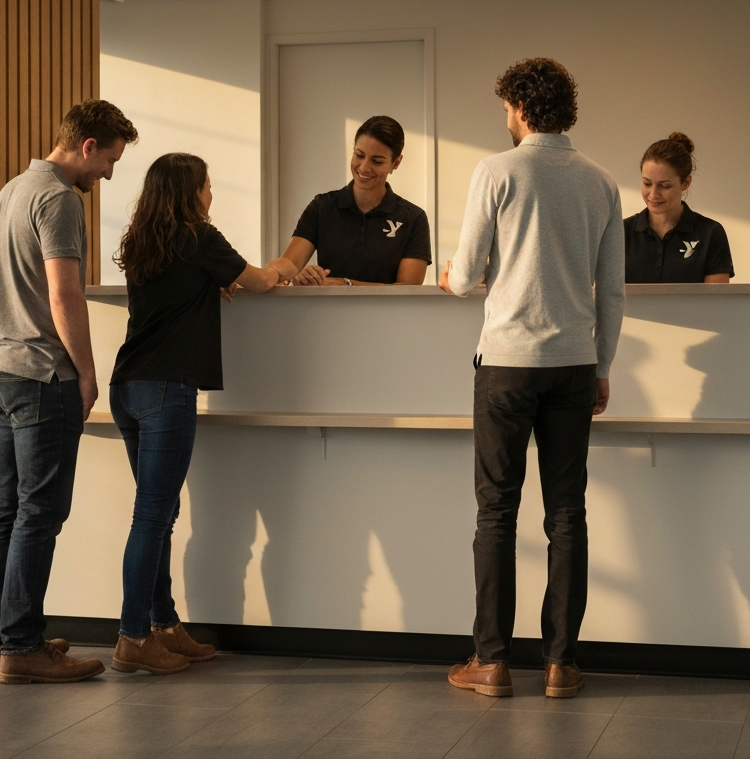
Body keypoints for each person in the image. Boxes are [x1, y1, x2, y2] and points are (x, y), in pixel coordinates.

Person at [440, 58, 624, 700]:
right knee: (566, 513)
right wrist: (603, 367)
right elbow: (613, 292)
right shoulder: (601, 182)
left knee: (496, 513)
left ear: (519, 108)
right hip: (573, 364)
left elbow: (464, 276)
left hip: (508, 365)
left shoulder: (497, 170)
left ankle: (490, 662)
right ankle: (561, 665)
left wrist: (448, 277)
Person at [109, 153, 296, 674]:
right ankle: (131, 636)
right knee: (152, 517)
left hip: (127, 387)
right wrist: (284, 267)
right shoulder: (199, 239)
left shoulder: (144, 240)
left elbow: (179, 292)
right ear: (191, 192)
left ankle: (163, 625)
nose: (211, 194)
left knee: (158, 516)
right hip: (167, 389)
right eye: (208, 186)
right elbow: (260, 281)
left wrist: (212, 282)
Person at [0, 99, 138, 684]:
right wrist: (88, 372)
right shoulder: (60, 199)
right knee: (39, 513)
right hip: (43, 372)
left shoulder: (10, 191)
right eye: (110, 161)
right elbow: (64, 294)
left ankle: (2, 640)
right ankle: (23, 646)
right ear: (88, 146)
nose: (109, 176)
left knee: (5, 509)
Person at [282, 115, 432, 286]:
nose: (364, 167)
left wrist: (344, 284)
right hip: (326, 312)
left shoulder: (413, 218)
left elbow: (407, 290)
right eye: (359, 155)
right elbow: (288, 268)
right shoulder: (322, 207)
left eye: (377, 161)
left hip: (386, 314)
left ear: (396, 163)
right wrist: (303, 277)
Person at [625, 132, 733, 283]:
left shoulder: (710, 233)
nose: (653, 194)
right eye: (647, 183)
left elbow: (716, 303)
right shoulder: (621, 232)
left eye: (665, 185)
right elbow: (606, 296)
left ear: (685, 182)